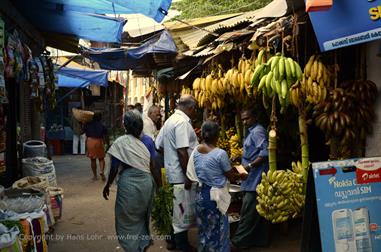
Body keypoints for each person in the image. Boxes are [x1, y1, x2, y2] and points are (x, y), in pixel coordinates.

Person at [103, 110, 160, 252]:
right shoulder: (148, 141)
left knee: (126, 220)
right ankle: (141, 246)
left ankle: (131, 248)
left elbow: (114, 168)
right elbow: (153, 166)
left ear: (125, 126)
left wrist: (107, 185)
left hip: (128, 185)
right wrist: (160, 186)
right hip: (146, 183)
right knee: (142, 216)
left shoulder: (120, 143)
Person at [187, 121, 247, 252]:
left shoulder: (196, 151)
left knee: (204, 230)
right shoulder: (220, 153)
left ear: (202, 134)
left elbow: (208, 166)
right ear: (217, 136)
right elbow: (230, 176)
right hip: (214, 198)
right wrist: (241, 176)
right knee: (219, 232)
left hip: (200, 195)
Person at [155, 94, 199, 252]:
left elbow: (158, 145)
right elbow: (182, 151)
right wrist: (188, 175)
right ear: (190, 108)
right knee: (182, 210)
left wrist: (169, 158)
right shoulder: (181, 122)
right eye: (195, 110)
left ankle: (172, 241)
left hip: (172, 172)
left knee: (175, 209)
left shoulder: (169, 120)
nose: (195, 113)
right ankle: (182, 245)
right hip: (180, 175)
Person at [231, 108, 270, 249]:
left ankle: (238, 241)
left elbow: (265, 153)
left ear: (254, 117)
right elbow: (253, 151)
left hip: (256, 176)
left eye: (247, 118)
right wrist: (240, 157)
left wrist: (249, 166)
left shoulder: (258, 131)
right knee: (258, 210)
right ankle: (260, 240)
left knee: (248, 210)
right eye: (242, 119)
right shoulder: (251, 131)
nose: (244, 122)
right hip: (251, 176)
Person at [83, 112, 109, 181]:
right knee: (101, 158)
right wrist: (108, 144)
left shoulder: (87, 124)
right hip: (98, 141)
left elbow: (83, 132)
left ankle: (95, 176)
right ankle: (101, 171)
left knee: (93, 159)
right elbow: (106, 136)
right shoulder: (102, 125)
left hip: (90, 141)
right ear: (100, 118)